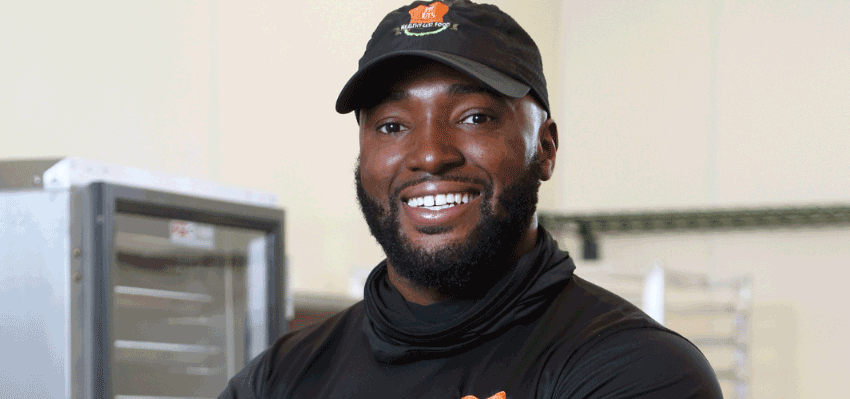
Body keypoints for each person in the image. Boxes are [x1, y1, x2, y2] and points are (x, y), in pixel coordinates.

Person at [220, 1, 723, 397]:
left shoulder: (634, 370)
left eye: (474, 117)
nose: (431, 155)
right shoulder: (278, 380)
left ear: (545, 148)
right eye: (393, 125)